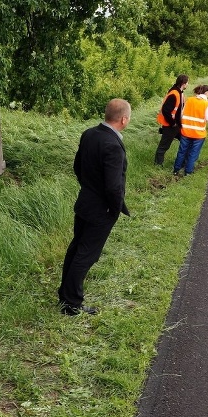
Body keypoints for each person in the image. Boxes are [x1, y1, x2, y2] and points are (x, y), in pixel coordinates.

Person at [58, 99, 132, 315]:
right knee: (86, 254)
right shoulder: (112, 145)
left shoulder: (89, 133)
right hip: (101, 209)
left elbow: (77, 166)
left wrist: (88, 188)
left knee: (76, 248)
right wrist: (114, 208)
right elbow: (113, 186)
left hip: (85, 202)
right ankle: (71, 304)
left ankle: (65, 294)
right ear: (124, 119)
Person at [172, 84, 208, 176]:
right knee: (193, 153)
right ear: (206, 93)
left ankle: (176, 169)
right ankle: (188, 172)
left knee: (182, 151)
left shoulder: (189, 100)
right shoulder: (206, 104)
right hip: (198, 133)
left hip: (186, 131)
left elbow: (182, 114)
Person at [154, 75, 188, 166]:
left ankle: (183, 163)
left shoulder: (179, 92)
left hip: (177, 125)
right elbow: (166, 110)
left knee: (185, 143)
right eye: (187, 82)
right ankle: (158, 164)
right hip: (170, 125)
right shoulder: (174, 93)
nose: (188, 84)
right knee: (164, 146)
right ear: (183, 83)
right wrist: (173, 123)